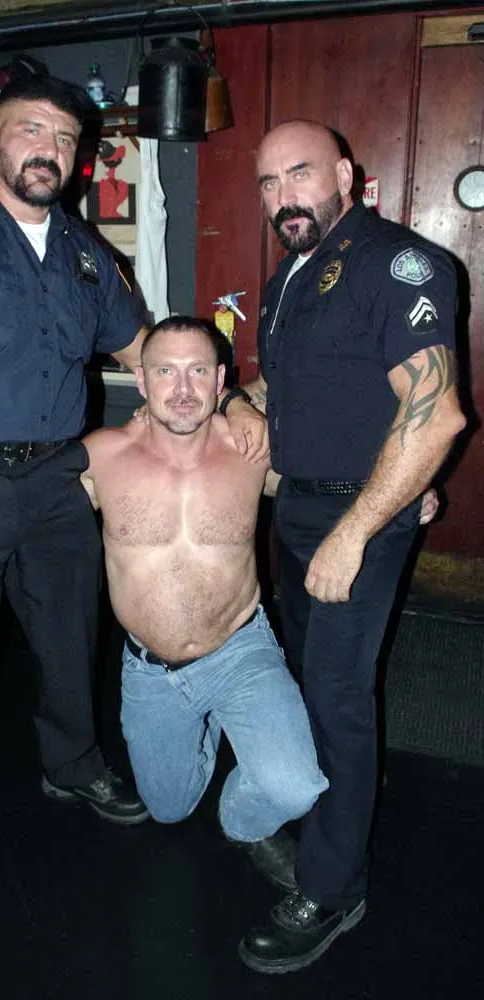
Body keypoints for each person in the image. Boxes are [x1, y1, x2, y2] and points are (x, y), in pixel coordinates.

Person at [0, 73, 266, 917]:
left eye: (67, 139)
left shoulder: (83, 252)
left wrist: (227, 400)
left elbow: (146, 351)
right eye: (32, 129)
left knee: (71, 636)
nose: (49, 149)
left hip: (58, 477)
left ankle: (72, 764)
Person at [0, 315, 328, 896]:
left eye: (198, 372)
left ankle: (245, 822)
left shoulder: (250, 448)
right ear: (141, 381)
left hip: (240, 650)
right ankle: (212, 728)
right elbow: (15, 514)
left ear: (221, 380)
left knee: (295, 788)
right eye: (165, 372)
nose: (183, 389)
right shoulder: (101, 457)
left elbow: (321, 483)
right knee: (169, 808)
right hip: (153, 672)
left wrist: (397, 499)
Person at [225, 120, 466, 974]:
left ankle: (332, 888)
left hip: (353, 520)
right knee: (314, 682)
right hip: (297, 509)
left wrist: (356, 533)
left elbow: (436, 413)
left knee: (335, 698)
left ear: (346, 175)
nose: (282, 196)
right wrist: (231, 400)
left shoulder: (397, 264)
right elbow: (294, 386)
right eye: (268, 183)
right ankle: (336, 802)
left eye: (299, 174)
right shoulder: (290, 276)